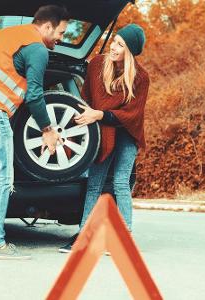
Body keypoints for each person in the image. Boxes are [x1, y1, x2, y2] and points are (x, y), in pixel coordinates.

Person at [0, 5, 69, 260]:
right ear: (47, 26)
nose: (60, 39)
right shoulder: (37, 48)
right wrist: (48, 129)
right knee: (1, 176)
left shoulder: (5, 35)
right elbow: (34, 95)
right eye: (60, 32)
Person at [59, 24, 150, 253]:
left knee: (120, 182)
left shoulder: (141, 77)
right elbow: (86, 98)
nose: (114, 46)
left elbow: (133, 114)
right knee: (94, 184)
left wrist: (100, 114)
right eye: (114, 41)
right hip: (102, 132)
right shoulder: (97, 65)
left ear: (130, 51)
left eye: (120, 44)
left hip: (127, 133)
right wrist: (79, 121)